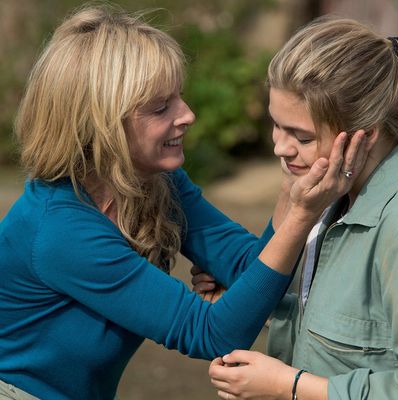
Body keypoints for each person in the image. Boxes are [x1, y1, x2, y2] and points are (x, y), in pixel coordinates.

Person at [0, 6, 367, 400]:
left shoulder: (157, 181)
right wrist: (300, 216)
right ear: (100, 126)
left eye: (178, 97)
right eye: (160, 108)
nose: (188, 115)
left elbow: (251, 269)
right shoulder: (60, 230)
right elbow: (213, 333)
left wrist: (288, 193)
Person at [197, 15, 398, 400]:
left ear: (363, 136)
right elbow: (356, 334)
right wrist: (251, 305)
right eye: (276, 124)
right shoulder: (336, 200)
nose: (280, 148)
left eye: (301, 136)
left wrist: (289, 385)